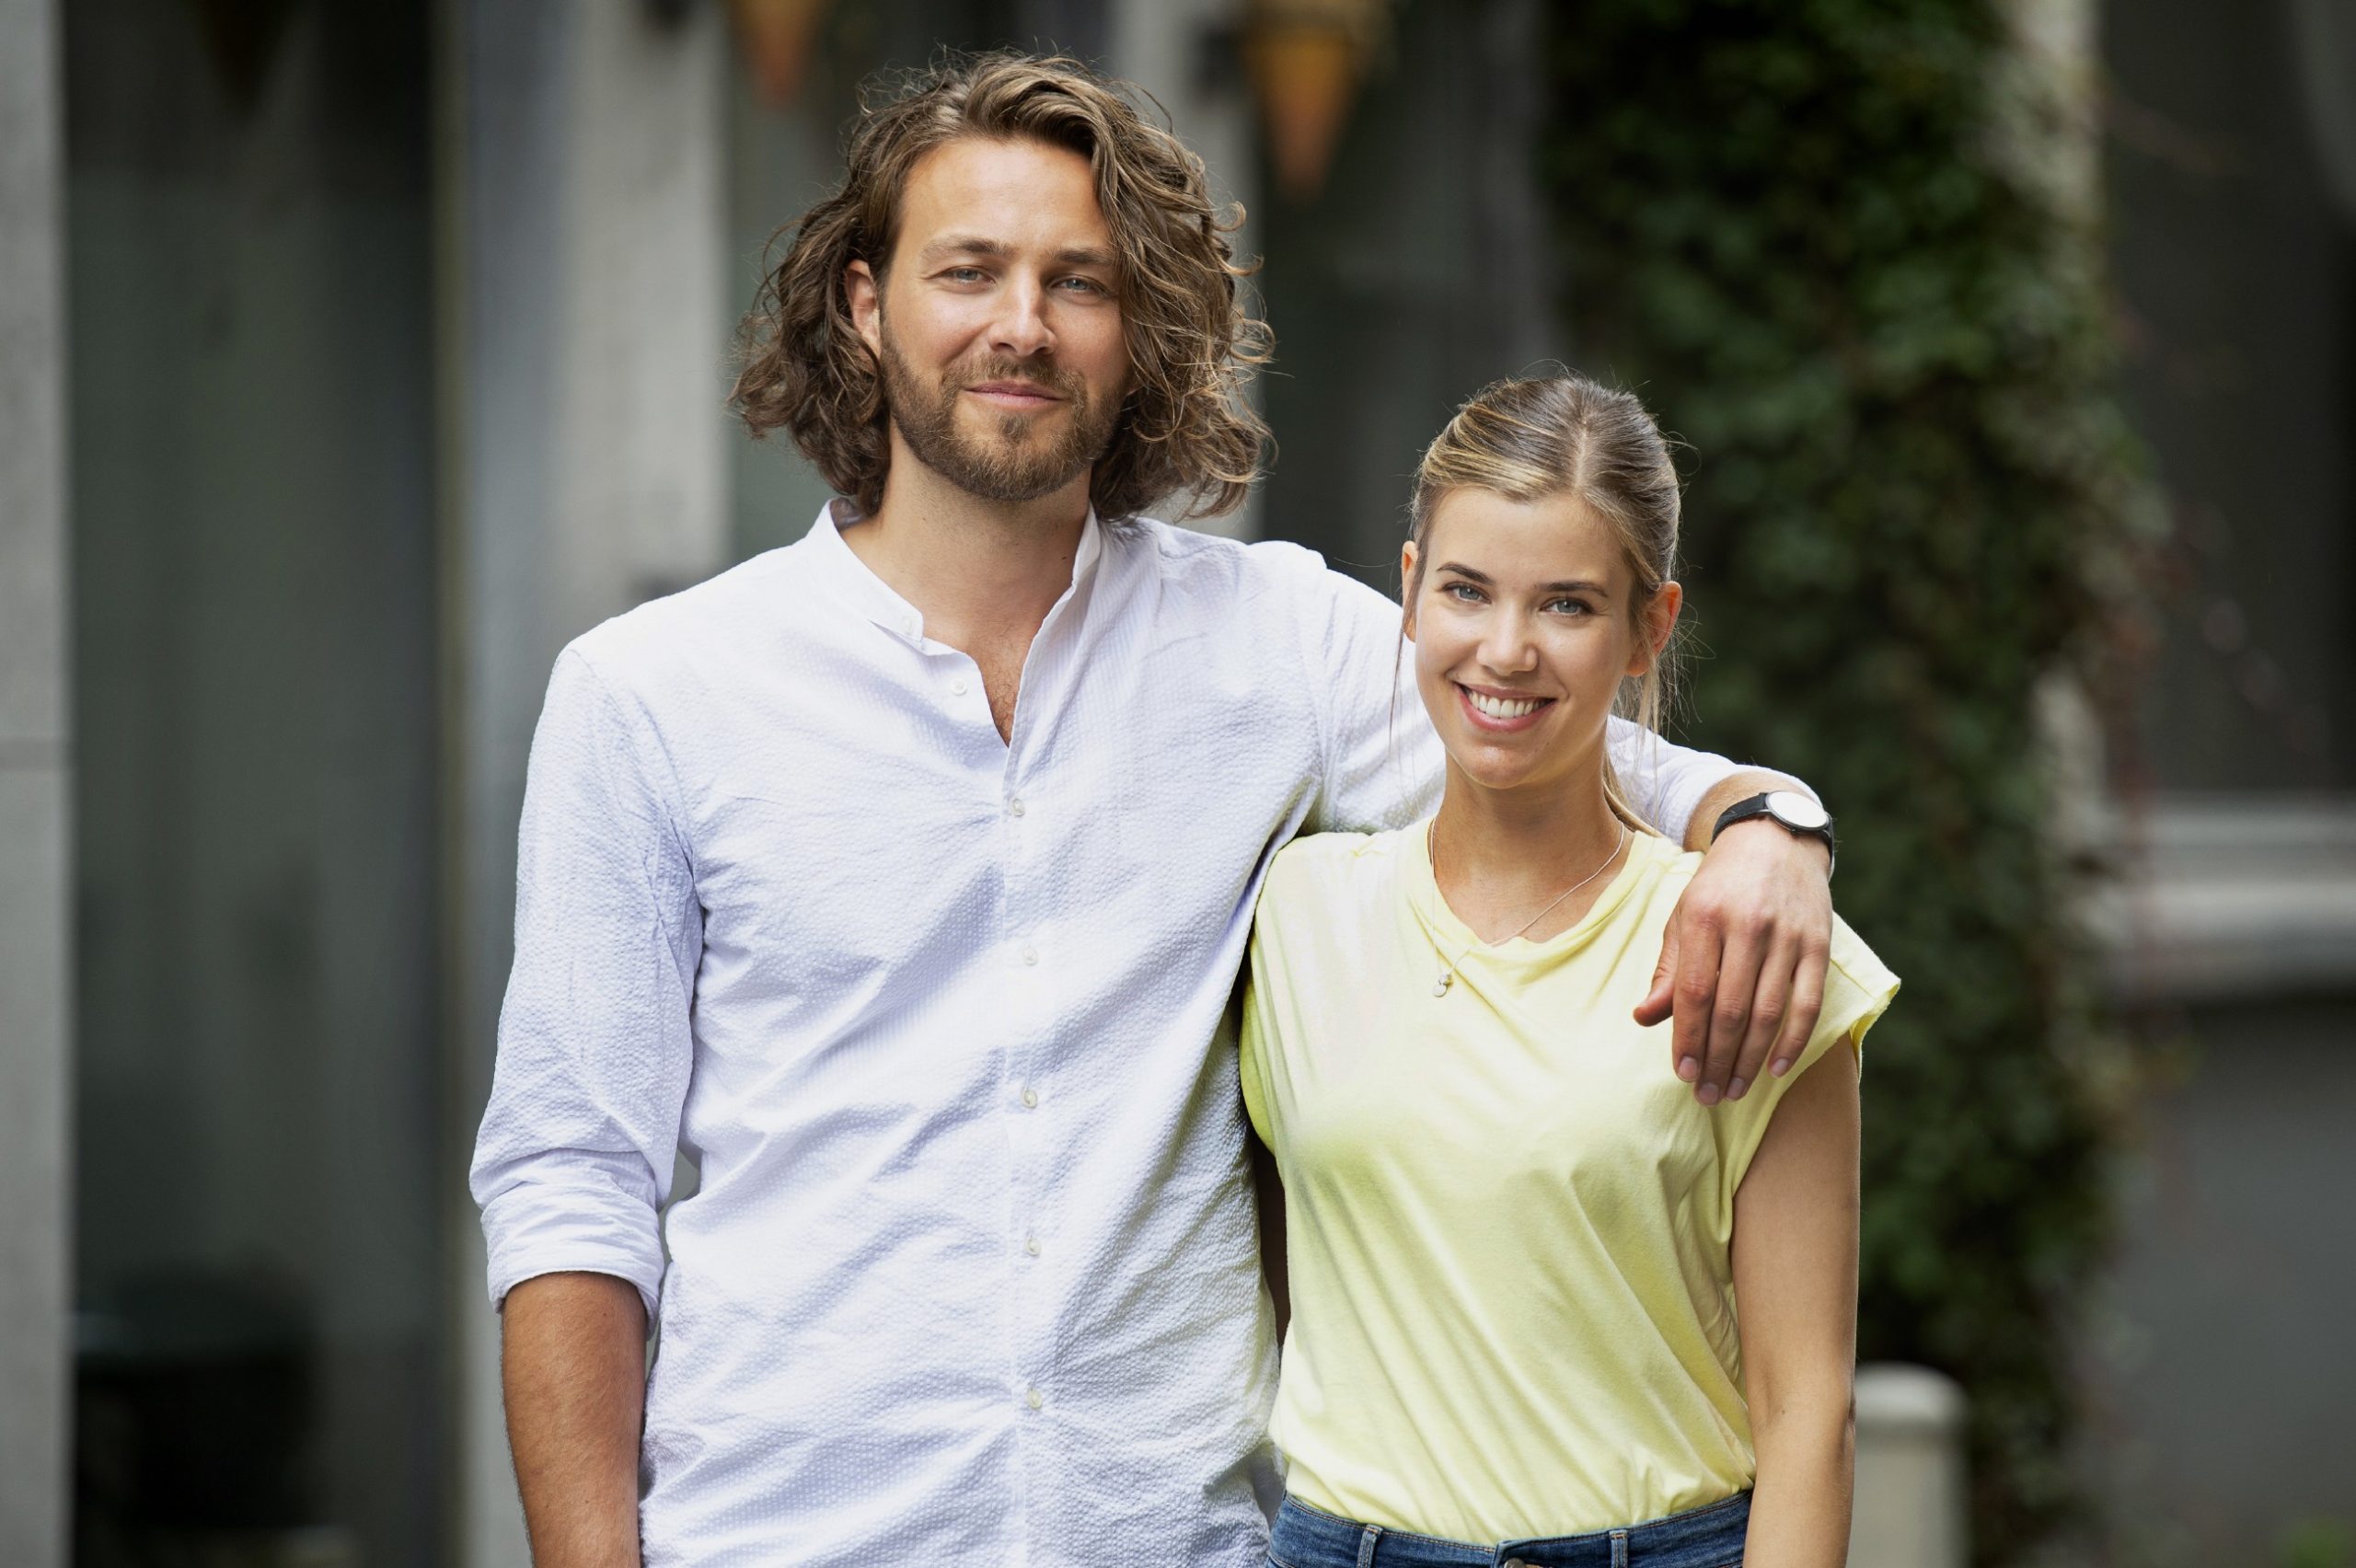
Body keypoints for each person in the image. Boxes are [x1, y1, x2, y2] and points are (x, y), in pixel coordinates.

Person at [470, 54, 1843, 1568]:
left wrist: (1770, 828)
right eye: (969, 271)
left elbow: (1574, 740)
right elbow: (571, 1183)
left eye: (1080, 282)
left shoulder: (1273, 645)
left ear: (1140, 336)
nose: (1022, 324)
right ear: (864, 307)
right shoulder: (652, 693)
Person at [1241, 374, 1899, 1568]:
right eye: (1467, 591)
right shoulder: (1294, 919)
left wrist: (1772, 825)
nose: (1507, 650)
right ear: (1407, 593)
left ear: (1651, 625)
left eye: (1568, 605)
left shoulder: (1752, 944)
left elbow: (1810, 1418)